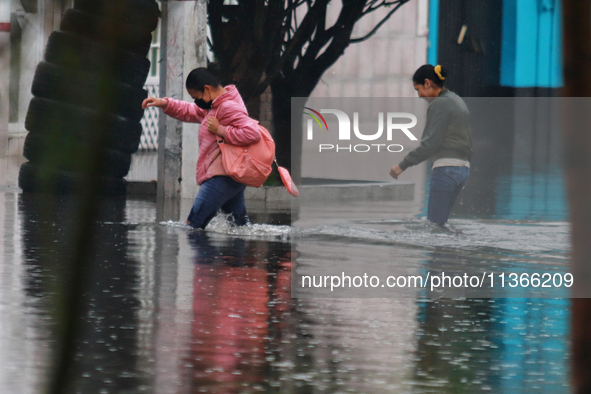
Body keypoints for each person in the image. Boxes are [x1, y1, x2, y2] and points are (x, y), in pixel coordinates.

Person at [142, 67, 261, 229]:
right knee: (240, 228)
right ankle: (238, 254)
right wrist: (164, 103)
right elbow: (190, 111)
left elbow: (253, 133)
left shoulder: (227, 107)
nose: (196, 101)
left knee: (193, 226)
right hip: (231, 176)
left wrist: (220, 130)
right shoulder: (215, 106)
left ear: (207, 88)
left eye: (196, 97)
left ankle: (206, 255)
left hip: (221, 178)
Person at [390, 64, 473, 229]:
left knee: (434, 226)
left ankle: (438, 255)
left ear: (428, 83)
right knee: (442, 225)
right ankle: (452, 253)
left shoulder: (439, 104)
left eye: (418, 89)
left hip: (446, 170)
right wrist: (464, 171)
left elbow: (429, 145)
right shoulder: (457, 100)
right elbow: (468, 141)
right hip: (462, 169)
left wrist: (402, 166)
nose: (419, 95)